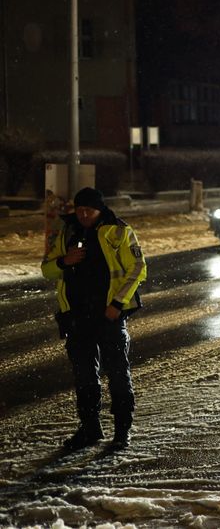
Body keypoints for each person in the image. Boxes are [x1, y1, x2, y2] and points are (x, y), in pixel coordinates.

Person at [41, 188, 147, 451]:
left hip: (108, 316)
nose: (84, 214)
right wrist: (65, 261)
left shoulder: (118, 230)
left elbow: (137, 269)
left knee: (117, 373)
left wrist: (117, 304)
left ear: (100, 209)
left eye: (89, 210)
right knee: (84, 376)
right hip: (76, 317)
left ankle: (122, 431)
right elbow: (46, 269)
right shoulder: (66, 232)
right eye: (80, 210)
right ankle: (90, 428)